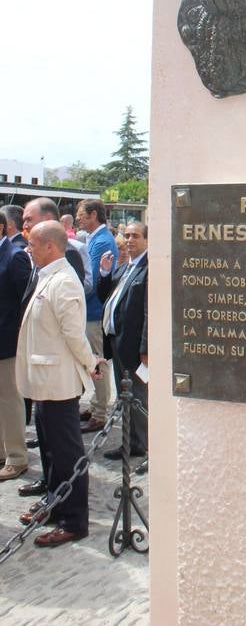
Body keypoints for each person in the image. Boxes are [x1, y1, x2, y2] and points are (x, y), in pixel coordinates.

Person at [16, 221, 102, 546]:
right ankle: (54, 504)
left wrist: (90, 362)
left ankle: (73, 520)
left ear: (50, 247)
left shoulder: (64, 281)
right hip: (44, 382)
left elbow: (73, 335)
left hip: (59, 383)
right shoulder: (48, 276)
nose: (29, 250)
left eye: (33, 245)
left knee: (67, 453)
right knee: (51, 451)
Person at [97, 221, 148, 459]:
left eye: (135, 235)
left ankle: (140, 444)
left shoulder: (148, 268)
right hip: (116, 340)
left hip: (134, 345)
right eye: (127, 235)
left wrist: (145, 347)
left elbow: (150, 312)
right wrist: (105, 273)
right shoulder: (124, 266)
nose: (129, 240)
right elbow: (106, 296)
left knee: (137, 396)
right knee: (124, 395)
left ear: (147, 240)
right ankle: (130, 442)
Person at [76, 200, 117, 432]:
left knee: (97, 362)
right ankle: (95, 406)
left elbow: (90, 281)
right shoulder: (95, 239)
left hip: (94, 311)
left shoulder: (101, 241)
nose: (78, 218)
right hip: (90, 310)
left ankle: (100, 413)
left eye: (81, 214)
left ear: (93, 215)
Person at [0, 211, 31, 480]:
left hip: (7, 341)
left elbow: (26, 299)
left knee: (9, 399)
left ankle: (16, 457)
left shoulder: (14, 255)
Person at [22, 199, 92, 293]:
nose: (24, 226)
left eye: (29, 219)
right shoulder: (39, 250)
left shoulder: (67, 253)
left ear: (48, 219)